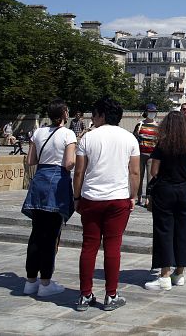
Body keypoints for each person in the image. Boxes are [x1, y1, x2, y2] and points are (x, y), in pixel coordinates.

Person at [73, 96, 140, 312]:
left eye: (94, 114)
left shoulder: (88, 138)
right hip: (118, 198)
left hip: (91, 197)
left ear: (101, 115)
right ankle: (111, 295)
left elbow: (79, 172)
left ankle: (85, 294)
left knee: (89, 246)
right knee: (113, 247)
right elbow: (135, 172)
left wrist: (76, 197)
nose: (92, 118)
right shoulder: (130, 138)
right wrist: (133, 196)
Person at [21, 98, 77, 297]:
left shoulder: (39, 132)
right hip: (57, 182)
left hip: (40, 181)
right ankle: (45, 281)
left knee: (36, 233)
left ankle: (30, 280)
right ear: (63, 114)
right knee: (51, 234)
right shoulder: (68, 134)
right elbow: (69, 163)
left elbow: (30, 160)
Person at [144, 111, 186, 290]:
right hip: (184, 190)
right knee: (183, 230)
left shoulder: (163, 145)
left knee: (164, 230)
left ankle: (164, 275)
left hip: (165, 190)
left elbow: (154, 171)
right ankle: (180, 273)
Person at [133, 104, 158, 207]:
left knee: (150, 177)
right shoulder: (140, 124)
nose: (152, 113)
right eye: (150, 111)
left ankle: (148, 198)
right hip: (140, 154)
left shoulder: (158, 126)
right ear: (146, 112)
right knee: (139, 176)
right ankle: (138, 197)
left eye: (154, 112)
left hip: (152, 155)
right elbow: (134, 138)